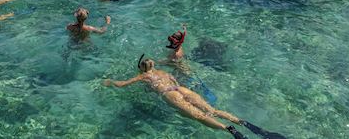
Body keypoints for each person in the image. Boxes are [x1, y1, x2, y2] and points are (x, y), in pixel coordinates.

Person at [103, 55, 247, 138]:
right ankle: (240, 121)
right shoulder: (162, 72)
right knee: (212, 110)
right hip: (181, 89)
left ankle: (227, 128)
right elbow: (175, 79)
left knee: (200, 116)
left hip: (169, 94)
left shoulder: (144, 76)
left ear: (142, 68)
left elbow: (122, 84)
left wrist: (110, 81)